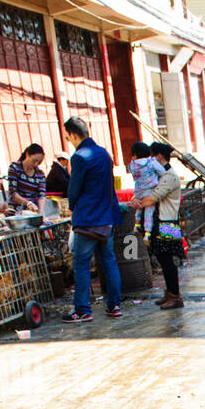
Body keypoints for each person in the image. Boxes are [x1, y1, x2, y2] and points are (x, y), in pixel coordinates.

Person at [62, 116, 123, 324]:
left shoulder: (80, 156)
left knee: (81, 264)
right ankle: (115, 305)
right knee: (109, 261)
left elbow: (75, 188)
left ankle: (82, 310)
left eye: (68, 136)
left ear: (73, 134)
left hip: (87, 220)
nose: (69, 140)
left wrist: (71, 206)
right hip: (107, 218)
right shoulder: (104, 153)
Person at [131, 143, 184, 310]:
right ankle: (169, 293)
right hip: (161, 222)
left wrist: (138, 203)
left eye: (153, 156)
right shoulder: (161, 175)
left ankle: (175, 297)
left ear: (159, 156)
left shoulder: (170, 176)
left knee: (167, 260)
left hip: (168, 223)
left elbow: (153, 197)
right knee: (162, 258)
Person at [127, 141, 164, 234]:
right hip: (165, 220)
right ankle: (148, 231)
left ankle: (138, 224)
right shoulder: (168, 176)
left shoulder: (133, 165)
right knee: (170, 244)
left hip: (139, 191)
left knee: (140, 209)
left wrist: (136, 201)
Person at [7, 144, 46, 210]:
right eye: (34, 161)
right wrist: (28, 203)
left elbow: (42, 195)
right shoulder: (15, 168)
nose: (36, 164)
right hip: (16, 210)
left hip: (33, 211)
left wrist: (41, 211)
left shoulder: (40, 174)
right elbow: (13, 193)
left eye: (39, 162)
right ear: (27, 155)